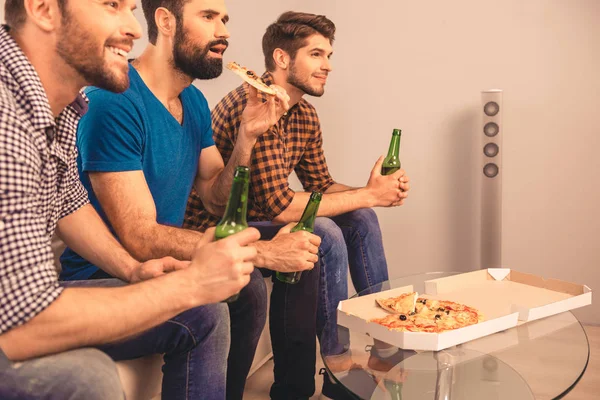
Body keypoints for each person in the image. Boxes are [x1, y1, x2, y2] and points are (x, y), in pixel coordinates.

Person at [58, 0, 321, 398]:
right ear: (166, 21)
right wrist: (263, 253)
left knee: (247, 290)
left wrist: (247, 138)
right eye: (209, 17)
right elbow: (139, 236)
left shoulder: (194, 102)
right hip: (100, 276)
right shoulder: (114, 101)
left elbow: (216, 197)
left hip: (157, 261)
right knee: (211, 307)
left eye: (225, 20)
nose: (225, 33)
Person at [0, 0, 260, 399]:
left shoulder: (62, 107)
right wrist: (192, 282)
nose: (135, 29)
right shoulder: (8, 115)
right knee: (88, 377)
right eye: (111, 6)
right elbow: (21, 323)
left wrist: (133, 271)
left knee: (212, 311)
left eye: (131, 9)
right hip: (23, 310)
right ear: (43, 9)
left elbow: (68, 202)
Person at [184, 11, 412, 398]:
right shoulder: (256, 103)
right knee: (321, 230)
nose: (328, 66)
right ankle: (337, 362)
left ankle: (385, 346)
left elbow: (321, 186)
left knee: (361, 217)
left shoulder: (304, 114)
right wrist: (368, 193)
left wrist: (373, 191)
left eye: (329, 56)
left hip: (260, 217)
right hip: (218, 226)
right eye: (317, 55)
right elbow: (279, 205)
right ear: (282, 59)